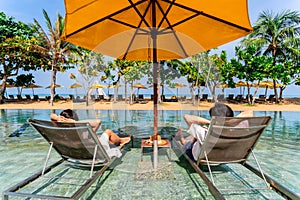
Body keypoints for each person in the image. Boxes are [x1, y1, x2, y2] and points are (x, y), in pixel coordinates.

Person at [177, 103, 253, 162]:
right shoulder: (236, 129)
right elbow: (250, 112)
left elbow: (187, 117)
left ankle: (183, 141)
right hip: (224, 156)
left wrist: (211, 122)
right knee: (200, 134)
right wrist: (229, 122)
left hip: (201, 156)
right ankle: (188, 140)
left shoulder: (205, 133)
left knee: (191, 142)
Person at [50, 109, 131, 148]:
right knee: (108, 131)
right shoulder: (81, 129)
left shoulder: (59, 130)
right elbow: (98, 121)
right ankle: (121, 141)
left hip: (76, 151)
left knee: (102, 138)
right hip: (93, 151)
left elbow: (51, 116)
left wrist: (58, 119)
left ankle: (119, 140)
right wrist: (74, 122)